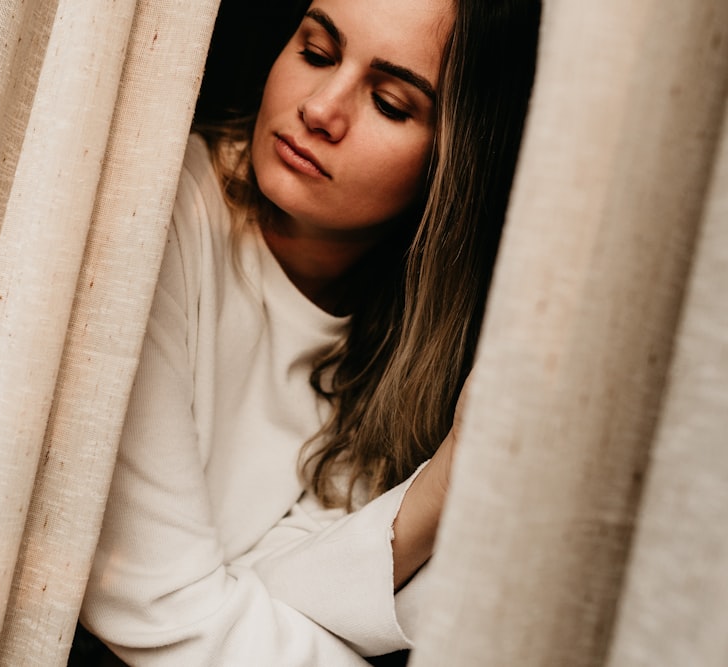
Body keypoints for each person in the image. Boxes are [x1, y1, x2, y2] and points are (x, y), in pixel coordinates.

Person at [79, 0, 541, 663]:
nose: (321, 109)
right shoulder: (156, 214)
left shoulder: (414, 347)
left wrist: (446, 480)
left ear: (454, 160)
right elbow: (161, 607)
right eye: (317, 52)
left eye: (388, 102)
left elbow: (289, 596)